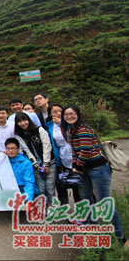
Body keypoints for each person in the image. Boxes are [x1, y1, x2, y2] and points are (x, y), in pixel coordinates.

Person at [61, 105, 127, 244]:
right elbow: (74, 150)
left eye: (72, 114)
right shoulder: (71, 130)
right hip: (84, 170)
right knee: (85, 197)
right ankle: (92, 226)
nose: (69, 116)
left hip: (98, 169)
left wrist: (77, 166)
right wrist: (75, 165)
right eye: (66, 114)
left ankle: (119, 236)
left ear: (78, 114)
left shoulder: (83, 129)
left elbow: (85, 150)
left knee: (104, 202)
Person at [14, 112, 56, 206]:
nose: (23, 123)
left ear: (28, 120)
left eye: (24, 120)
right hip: (36, 164)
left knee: (50, 187)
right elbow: (27, 150)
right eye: (19, 121)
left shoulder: (39, 129)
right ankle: (42, 206)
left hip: (49, 162)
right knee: (40, 188)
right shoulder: (19, 135)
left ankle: (50, 205)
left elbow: (47, 146)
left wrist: (46, 164)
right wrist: (36, 165)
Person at [45, 103, 81, 205]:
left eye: (60, 111)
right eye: (54, 112)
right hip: (62, 157)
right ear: (50, 114)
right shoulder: (50, 127)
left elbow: (71, 135)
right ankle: (64, 207)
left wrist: (61, 123)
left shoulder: (71, 124)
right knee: (61, 185)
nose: (58, 113)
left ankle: (80, 209)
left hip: (75, 155)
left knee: (77, 184)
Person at [5, 138, 36, 203]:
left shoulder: (26, 163)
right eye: (8, 148)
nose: (11, 151)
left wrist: (28, 199)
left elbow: (29, 182)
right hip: (9, 191)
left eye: (13, 148)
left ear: (18, 149)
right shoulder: (3, 161)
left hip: (22, 191)